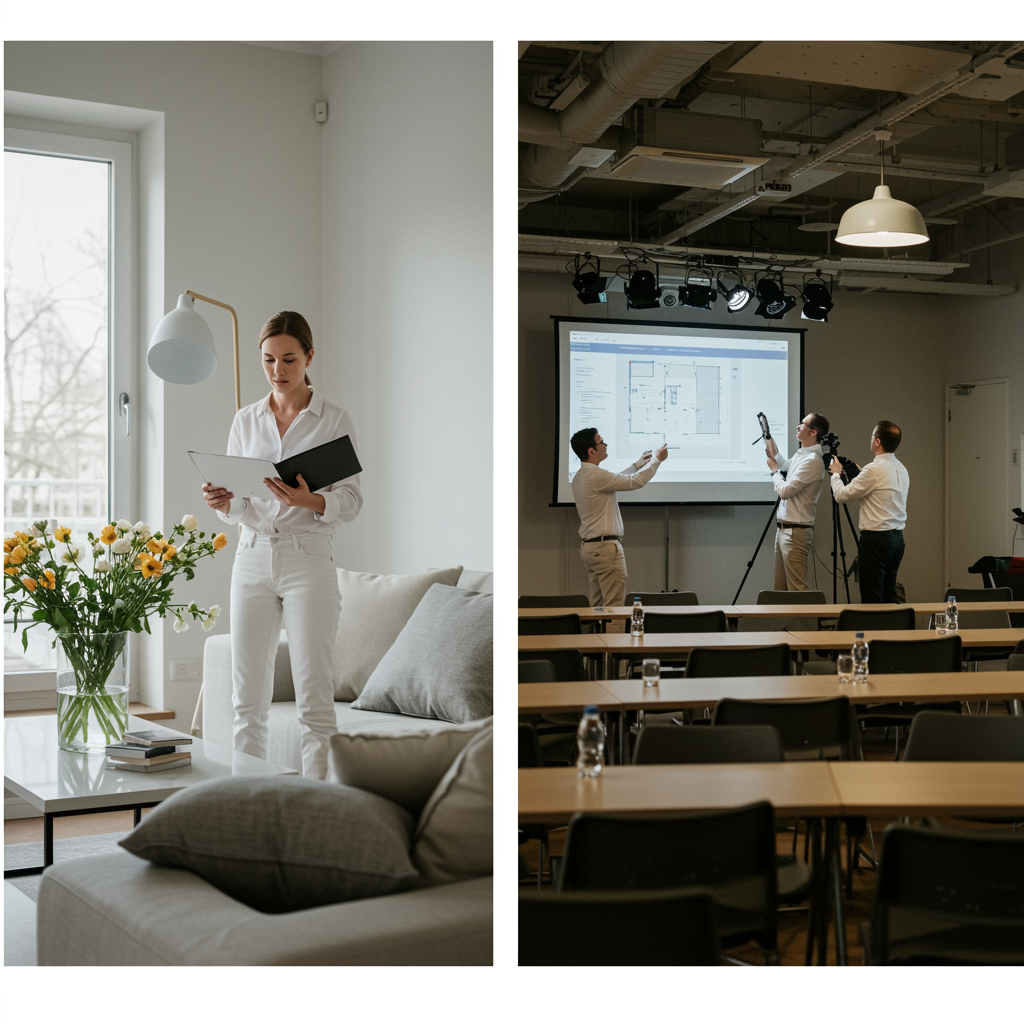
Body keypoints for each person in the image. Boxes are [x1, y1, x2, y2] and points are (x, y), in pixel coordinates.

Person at [201, 311, 362, 779]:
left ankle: (317, 812)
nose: (278, 370)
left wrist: (308, 498)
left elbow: (352, 501)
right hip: (250, 557)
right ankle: (246, 804)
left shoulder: (334, 419)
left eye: (289, 359)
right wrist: (222, 501)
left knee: (315, 699)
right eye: (268, 360)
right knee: (246, 699)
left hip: (308, 559)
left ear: (309, 357)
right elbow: (237, 505)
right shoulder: (245, 419)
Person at [570, 428, 668, 612]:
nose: (605, 445)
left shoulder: (583, 475)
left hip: (591, 548)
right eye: (601, 442)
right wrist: (657, 460)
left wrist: (638, 464)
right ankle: (611, 640)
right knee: (614, 609)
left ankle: (597, 640)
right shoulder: (595, 475)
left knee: (598, 608)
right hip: (606, 549)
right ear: (591, 451)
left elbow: (615, 479)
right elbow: (635, 482)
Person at [828, 420, 909, 604]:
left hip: (876, 541)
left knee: (872, 599)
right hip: (897, 540)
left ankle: (875, 632)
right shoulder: (901, 469)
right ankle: (890, 632)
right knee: (889, 597)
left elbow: (841, 495)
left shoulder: (874, 470)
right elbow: (881, 492)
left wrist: (836, 474)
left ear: (878, 442)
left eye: (873, 436)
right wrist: (861, 473)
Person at [765, 412, 828, 591]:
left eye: (803, 423)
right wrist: (768, 438)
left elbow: (785, 491)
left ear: (813, 432)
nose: (798, 426)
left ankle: (805, 620)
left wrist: (774, 473)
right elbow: (783, 463)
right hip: (784, 529)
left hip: (796, 532)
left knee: (797, 591)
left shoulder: (813, 460)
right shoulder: (802, 454)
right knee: (781, 590)